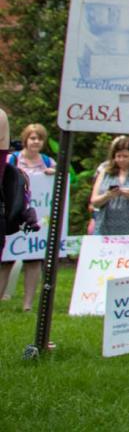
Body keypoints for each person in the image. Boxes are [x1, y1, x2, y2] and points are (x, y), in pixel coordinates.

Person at [1, 124, 56, 310]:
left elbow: (63, 183)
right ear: (25, 139)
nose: (36, 142)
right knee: (6, 261)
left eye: (39, 138)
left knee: (33, 260)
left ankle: (27, 304)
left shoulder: (48, 162)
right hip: (14, 214)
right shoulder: (13, 158)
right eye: (33, 138)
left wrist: (54, 175)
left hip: (38, 219)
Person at [90, 135, 129, 237]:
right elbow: (94, 202)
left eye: (125, 156)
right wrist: (108, 195)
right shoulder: (105, 173)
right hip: (105, 228)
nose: (121, 160)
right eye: (118, 156)